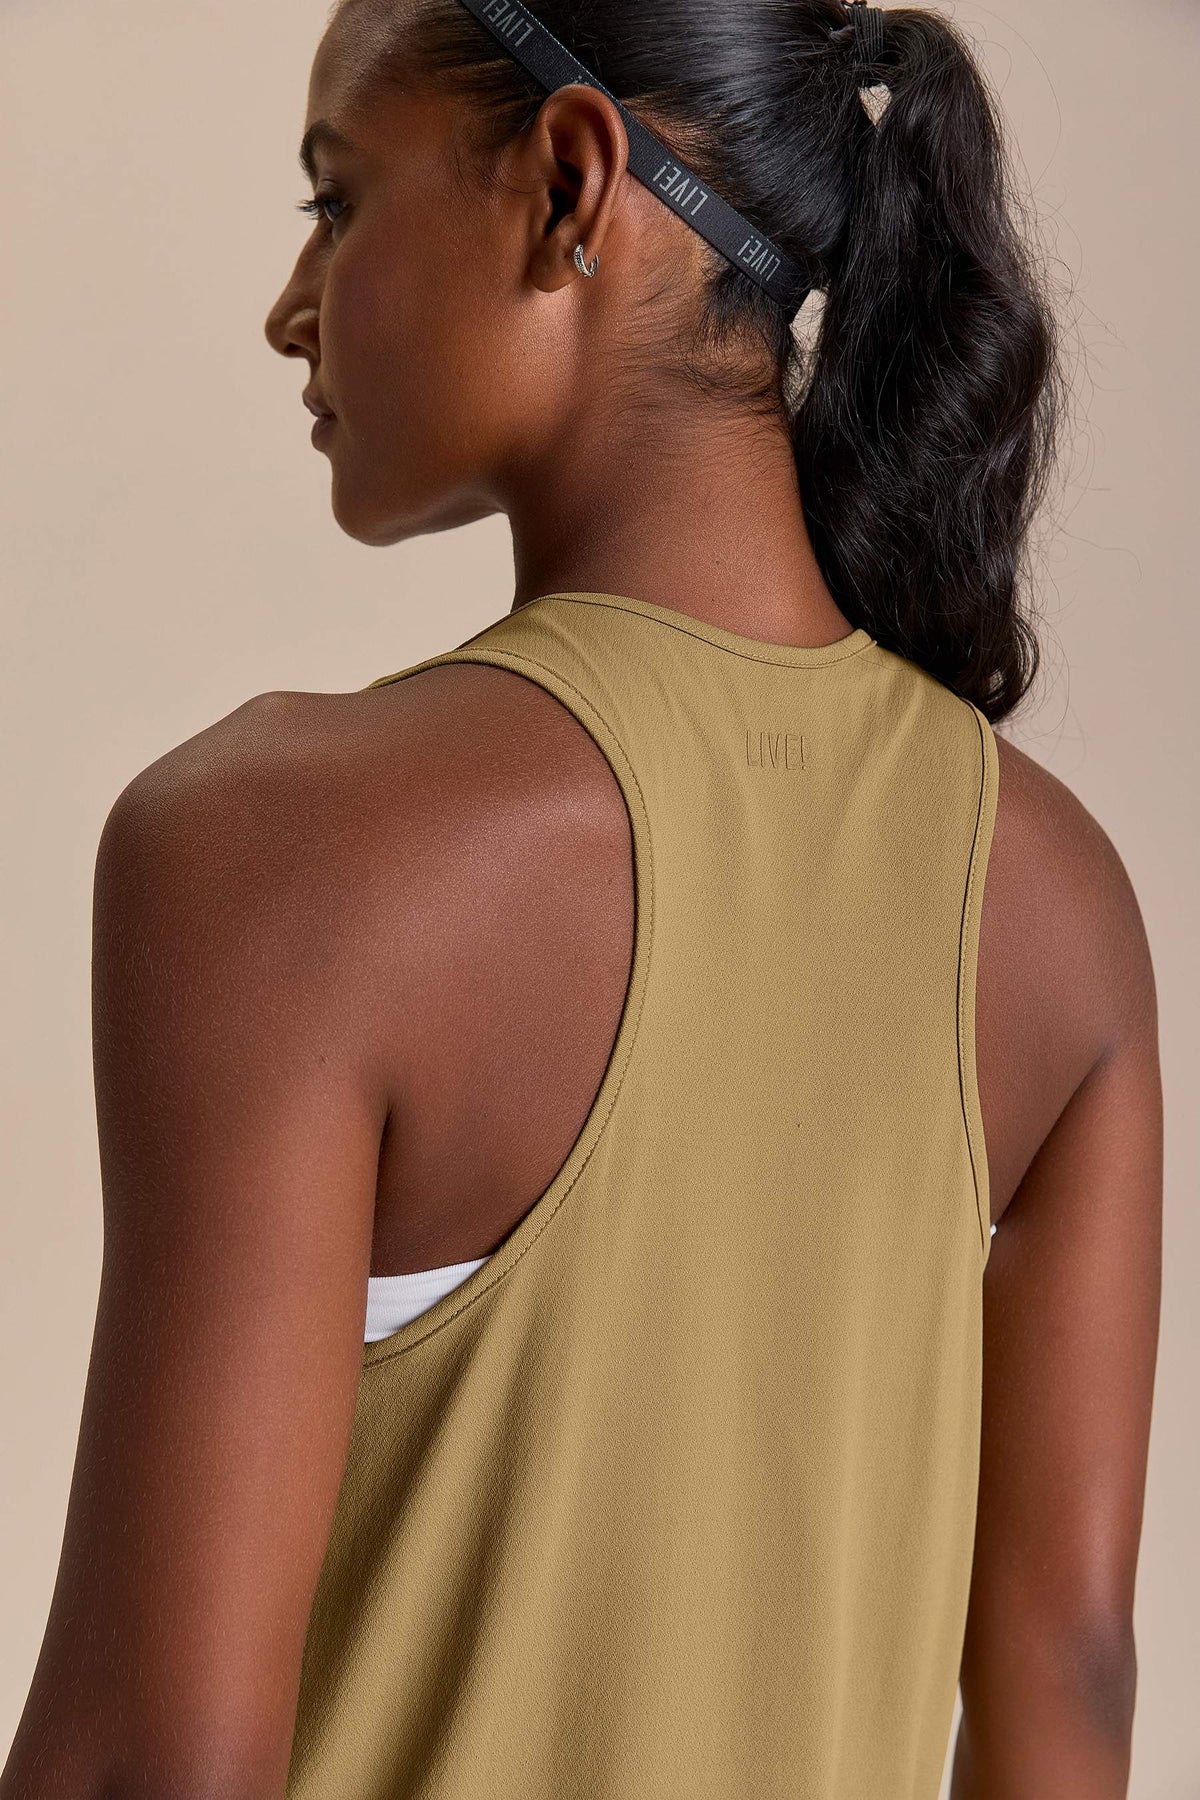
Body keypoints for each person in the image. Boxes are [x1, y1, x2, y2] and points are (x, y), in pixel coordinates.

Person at [0, 0, 1162, 1796]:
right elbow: (1069, 1684)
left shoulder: (281, 851)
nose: (293, 309)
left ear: (566, 183)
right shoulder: (1062, 907)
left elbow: (157, 1763)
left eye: (334, 203)